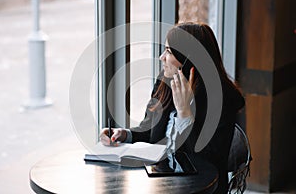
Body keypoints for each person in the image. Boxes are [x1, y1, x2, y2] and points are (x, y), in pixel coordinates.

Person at [100, 22, 245, 193]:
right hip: (160, 180)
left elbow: (208, 162)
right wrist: (124, 134)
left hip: (199, 188)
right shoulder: (165, 82)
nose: (161, 57)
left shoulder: (222, 99)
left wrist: (185, 113)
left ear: (187, 59)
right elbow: (150, 131)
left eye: (168, 52)